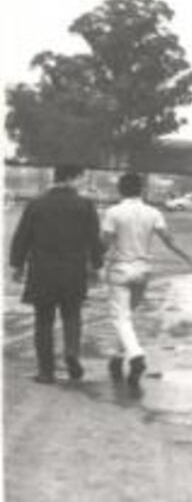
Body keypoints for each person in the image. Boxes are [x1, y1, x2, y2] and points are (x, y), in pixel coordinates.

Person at [101, 172, 192, 390]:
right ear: (142, 190)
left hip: (120, 270)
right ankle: (117, 359)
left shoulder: (113, 213)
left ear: (121, 189)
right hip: (143, 271)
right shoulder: (153, 213)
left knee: (120, 319)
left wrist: (92, 265)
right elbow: (169, 241)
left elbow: (104, 244)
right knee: (126, 318)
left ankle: (136, 356)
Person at [8, 164, 104, 384]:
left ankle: (46, 371)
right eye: (82, 178)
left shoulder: (36, 204)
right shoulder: (85, 205)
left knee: (43, 321)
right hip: (74, 271)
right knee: (72, 315)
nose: (83, 183)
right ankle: (71, 352)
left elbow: (22, 237)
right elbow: (93, 240)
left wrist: (17, 266)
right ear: (71, 178)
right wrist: (97, 267)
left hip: (42, 272)